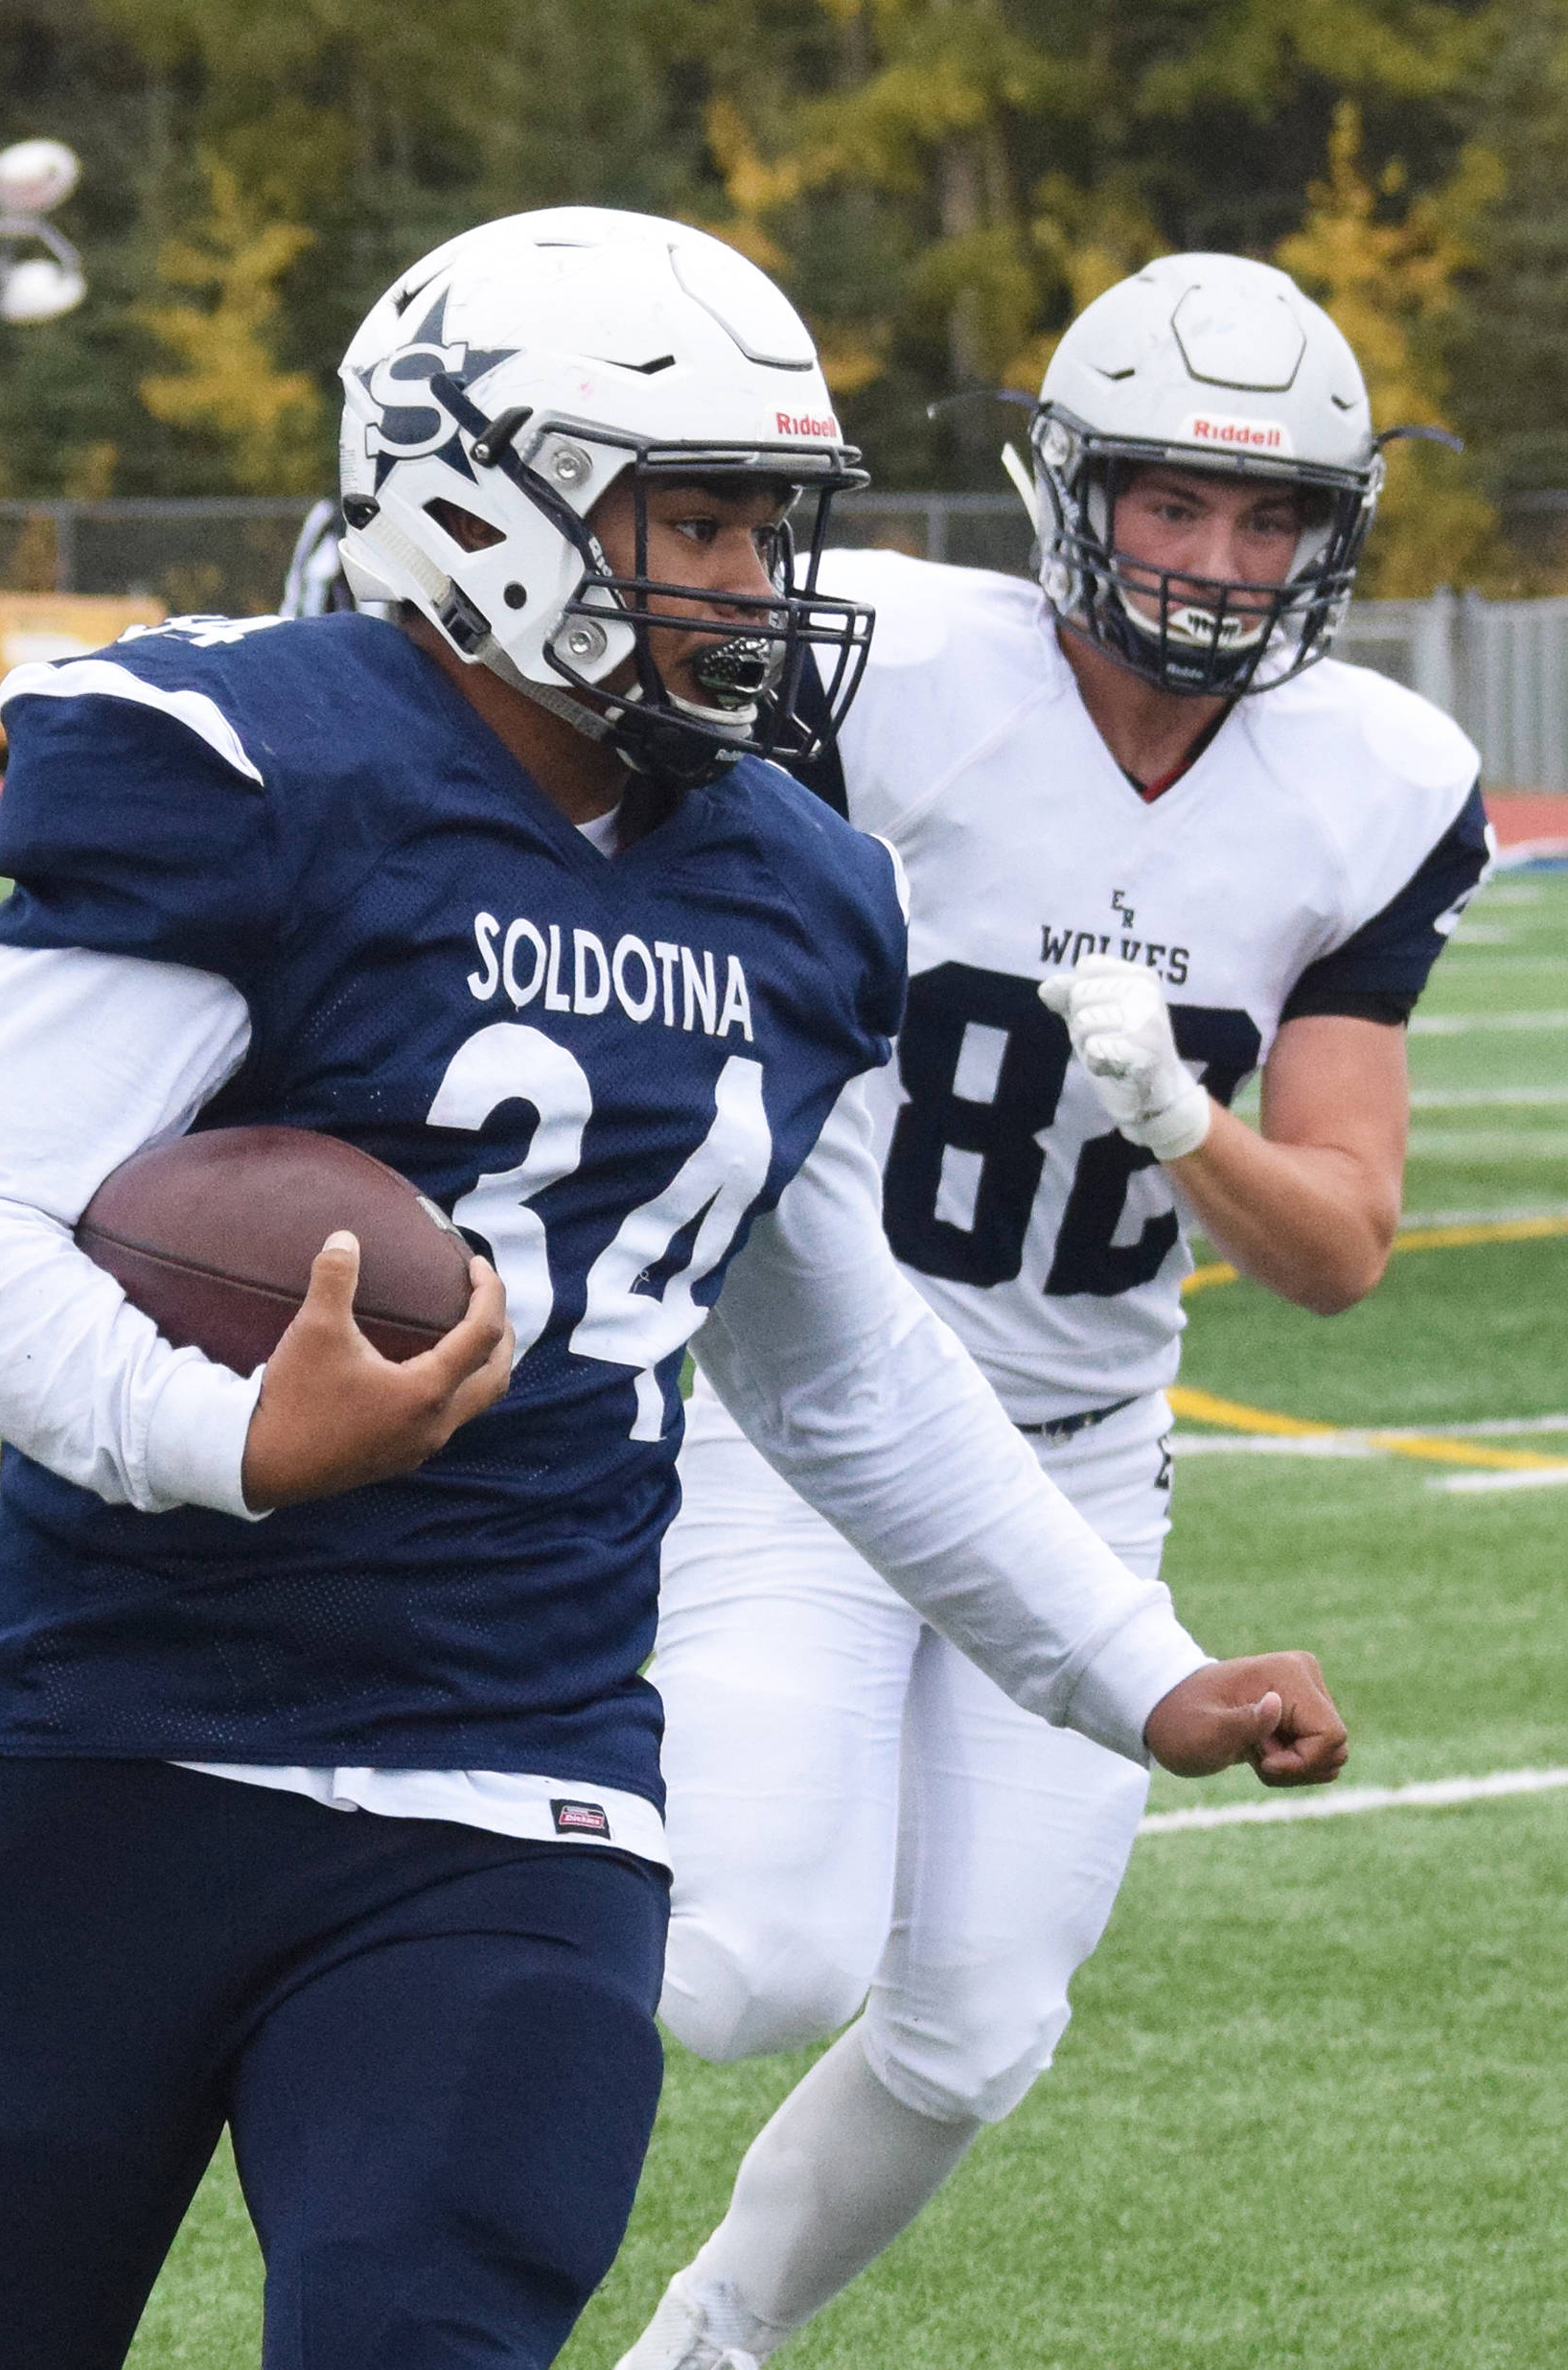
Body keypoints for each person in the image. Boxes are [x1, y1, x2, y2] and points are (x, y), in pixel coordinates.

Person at [0, 217, 1346, 2370]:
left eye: (762, 524)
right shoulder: (264, 767)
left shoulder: (799, 886)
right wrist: (224, 1432)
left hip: (521, 1778)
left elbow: (846, 1374)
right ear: (462, 490)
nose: (738, 578)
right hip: (118, 1741)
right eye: (685, 516)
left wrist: (1124, 1667)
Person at [618, 251, 1488, 2370]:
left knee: (980, 2024)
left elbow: (1335, 1247)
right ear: (1069, 491)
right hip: (806, 1403)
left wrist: (1183, 1109)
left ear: (1330, 536)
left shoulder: (1372, 779)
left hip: (1085, 1454)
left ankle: (704, 2351)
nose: (1213, 558)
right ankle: (246, 1946)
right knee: (744, 1963)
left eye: (1267, 515)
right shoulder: (885, 659)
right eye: (1171, 501)